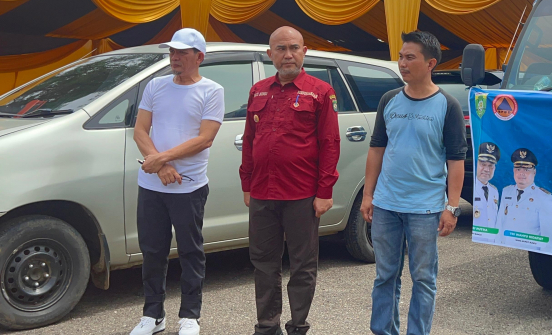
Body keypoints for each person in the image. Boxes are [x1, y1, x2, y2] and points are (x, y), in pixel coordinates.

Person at [361, 31, 467, 335]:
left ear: (430, 63)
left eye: (410, 57)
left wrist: (452, 207)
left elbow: (456, 160)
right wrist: (368, 195)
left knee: (423, 278)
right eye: (400, 57)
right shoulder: (389, 100)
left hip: (425, 209)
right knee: (385, 276)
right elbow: (377, 149)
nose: (402, 63)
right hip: (386, 205)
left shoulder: (447, 105)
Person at [239, 26, 341, 335]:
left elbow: (330, 143)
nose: (288, 55)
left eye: (294, 48)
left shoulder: (320, 91)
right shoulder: (258, 90)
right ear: (270, 54)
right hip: (262, 192)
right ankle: (267, 326)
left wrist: (325, 191)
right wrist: (247, 184)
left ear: (304, 51)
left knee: (302, 265)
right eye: (281, 49)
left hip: (302, 194)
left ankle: (298, 326)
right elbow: (249, 140)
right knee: (263, 262)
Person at [129, 28, 225, 335]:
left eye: (182, 52)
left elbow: (205, 138)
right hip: (152, 185)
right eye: (172, 52)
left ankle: (190, 316)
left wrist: (160, 159)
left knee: (190, 251)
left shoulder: (212, 91)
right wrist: (161, 166)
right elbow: (140, 131)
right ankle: (152, 315)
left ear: (199, 57)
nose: (175, 57)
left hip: (189, 186)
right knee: (152, 251)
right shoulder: (155, 85)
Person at [496, 148, 552, 253]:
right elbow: (500, 222)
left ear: (534, 172)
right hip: (505, 250)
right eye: (518, 169)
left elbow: (548, 235)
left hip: (529, 252)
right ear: (513, 170)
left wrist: (544, 255)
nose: (521, 173)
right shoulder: (506, 191)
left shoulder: (544, 197)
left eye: (526, 169)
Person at [472, 142, 501, 244]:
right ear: (476, 164)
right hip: (473, 242)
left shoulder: (494, 191)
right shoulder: (471, 187)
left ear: (494, 168)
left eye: (490, 166)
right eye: (483, 164)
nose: (486, 169)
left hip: (490, 242)